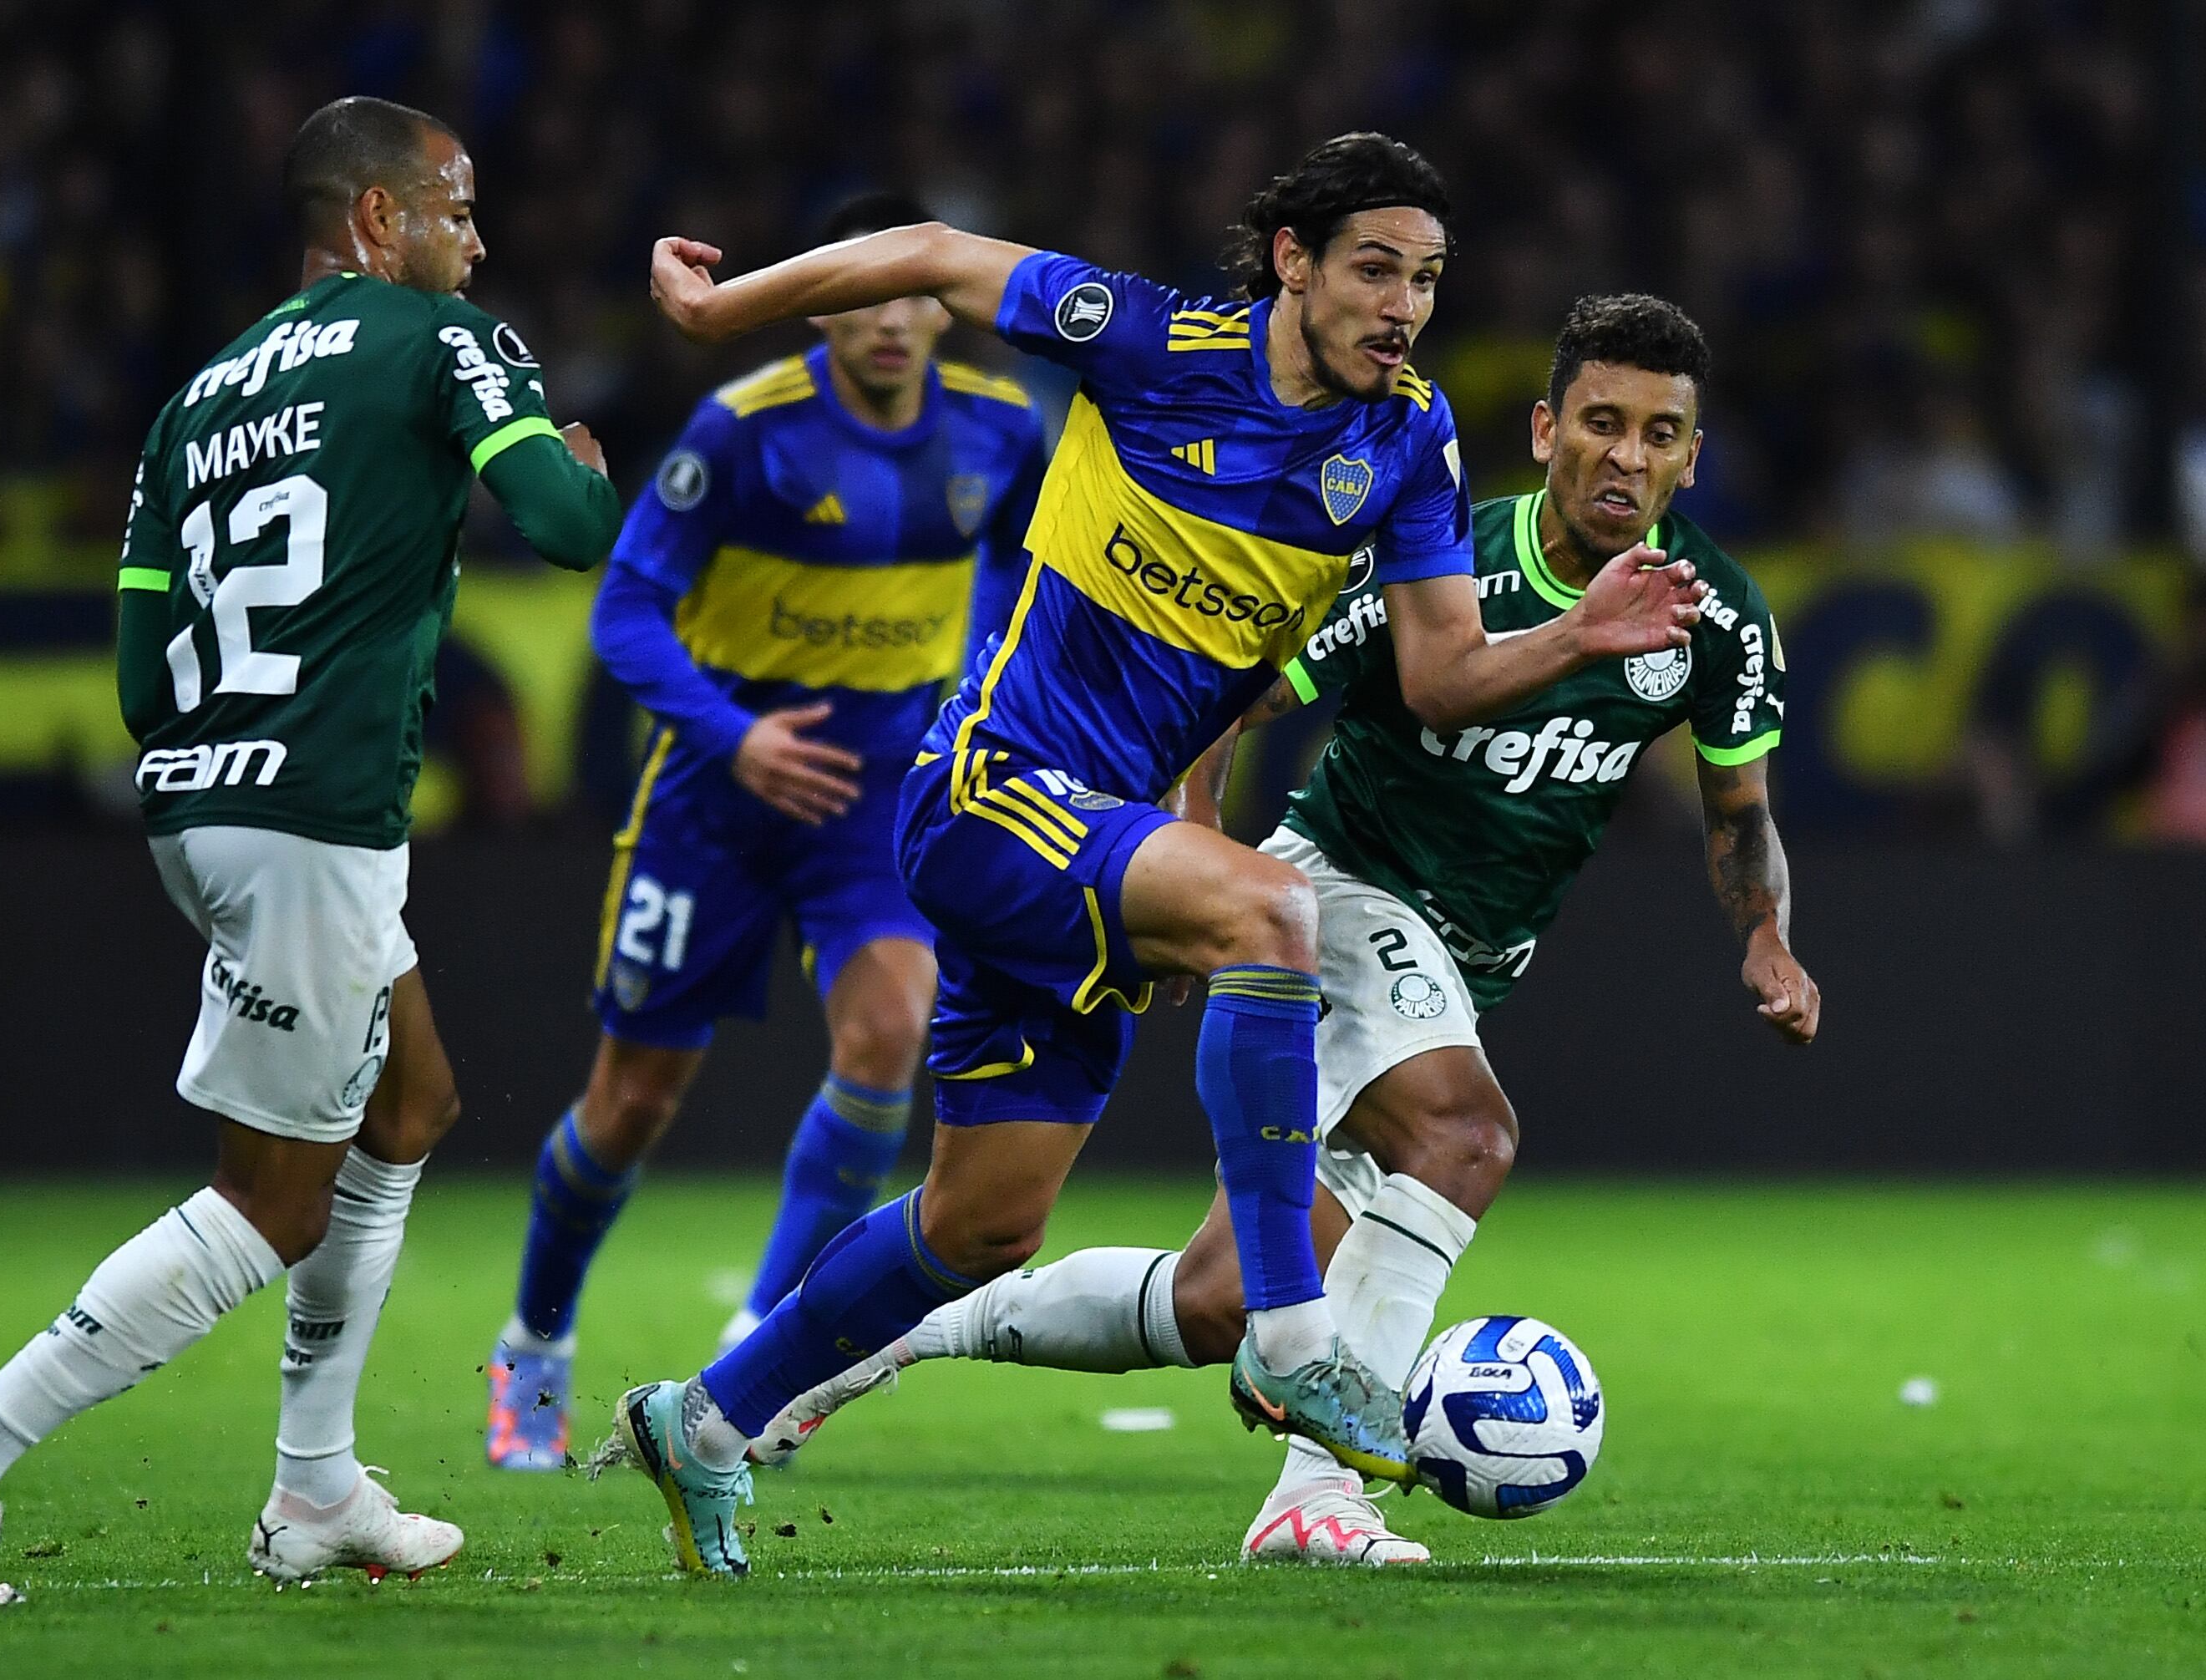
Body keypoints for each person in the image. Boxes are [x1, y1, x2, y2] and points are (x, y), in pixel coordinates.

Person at [596, 134, 1711, 1576]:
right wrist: (717, 308)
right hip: (991, 787)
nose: (1402, 306)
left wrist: (1572, 634)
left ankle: (706, 1419)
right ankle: (1297, 1343)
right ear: (1294, 262)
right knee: (1267, 908)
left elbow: (1438, 673)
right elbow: (935, 251)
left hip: (1093, 847)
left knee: (978, 1226)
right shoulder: (1147, 337)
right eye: (1373, 268)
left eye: (1426, 279)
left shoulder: (1404, 442)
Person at [752, 294, 1820, 1566]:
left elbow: (1738, 809)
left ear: (1692, 456)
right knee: (1465, 1133)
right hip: (1343, 896)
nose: (1626, 458)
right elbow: (1231, 699)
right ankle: (1321, 1497)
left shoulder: (1717, 613)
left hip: (1458, 975)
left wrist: (1764, 937)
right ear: (1544, 430)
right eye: (1601, 422)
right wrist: (1194, 869)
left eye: (1659, 434)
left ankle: (909, 1324)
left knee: (1214, 1309)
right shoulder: (1442, 568)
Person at [0, 96, 621, 1604]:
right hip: (314, 816)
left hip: (204, 799)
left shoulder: (198, 394)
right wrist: (577, 463)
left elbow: (140, 670)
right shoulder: (438, 341)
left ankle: (317, 1486)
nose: (479, 239)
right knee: (270, 1200)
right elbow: (566, 522)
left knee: (412, 1098)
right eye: (458, 210)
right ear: (380, 221)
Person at [486, 192, 1047, 1471]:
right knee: (630, 1104)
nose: (893, 318)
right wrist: (733, 734)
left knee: (891, 1033)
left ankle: (750, 1367)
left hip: (877, 794)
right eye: (860, 294)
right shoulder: (746, 433)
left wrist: (982, 683)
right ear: (819, 301)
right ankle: (535, 1346)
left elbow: (1033, 572)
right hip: (718, 795)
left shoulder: (1004, 429)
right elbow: (626, 611)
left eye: (913, 292)